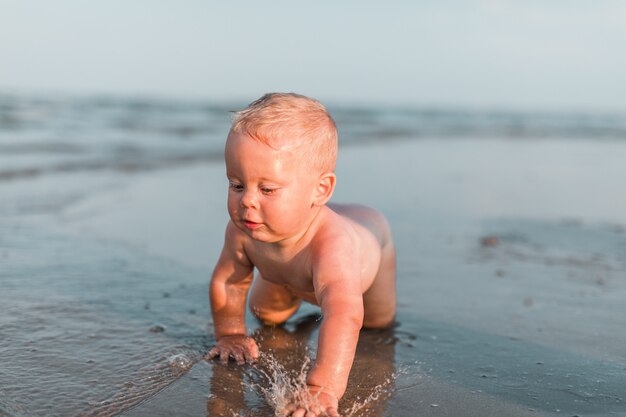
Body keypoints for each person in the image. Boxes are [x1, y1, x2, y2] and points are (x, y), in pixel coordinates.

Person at [207, 92, 396, 417]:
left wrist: (322, 388)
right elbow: (229, 281)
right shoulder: (242, 231)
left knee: (376, 322)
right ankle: (289, 293)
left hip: (369, 248)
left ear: (320, 190)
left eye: (267, 190)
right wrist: (231, 334)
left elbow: (344, 314)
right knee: (264, 312)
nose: (247, 201)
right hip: (287, 273)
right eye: (236, 185)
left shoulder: (331, 245)